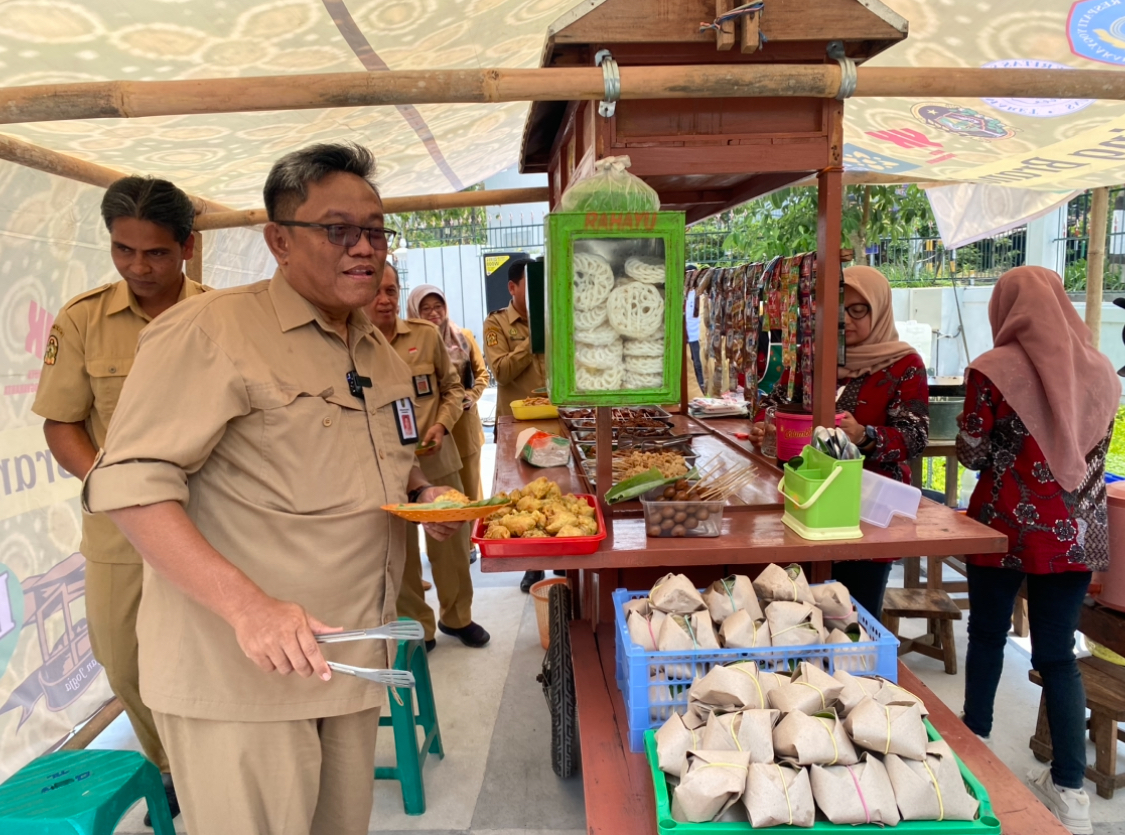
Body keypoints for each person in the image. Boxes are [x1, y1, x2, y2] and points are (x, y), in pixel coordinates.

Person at [83, 142, 463, 835]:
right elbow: (129, 485)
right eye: (337, 229)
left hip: (347, 658)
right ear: (279, 240)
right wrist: (249, 607)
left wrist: (423, 493)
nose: (363, 248)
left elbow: (381, 455)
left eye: (374, 230)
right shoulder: (211, 330)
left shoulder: (371, 347)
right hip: (243, 679)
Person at [33, 175, 208, 822]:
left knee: (214, 647)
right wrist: (108, 488)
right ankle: (167, 763)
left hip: (212, 519)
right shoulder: (83, 320)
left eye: (155, 252)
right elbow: (62, 422)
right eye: (122, 249)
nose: (138, 266)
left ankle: (211, 759)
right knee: (122, 655)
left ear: (187, 246)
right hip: (120, 529)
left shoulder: (223, 316)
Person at [957, 266, 1120, 835]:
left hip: (1004, 528)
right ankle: (1072, 794)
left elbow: (972, 452)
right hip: (1075, 535)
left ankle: (972, 749)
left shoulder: (992, 369)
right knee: (1057, 654)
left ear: (1007, 309)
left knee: (987, 634)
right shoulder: (1101, 370)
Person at [750, 265, 929, 617]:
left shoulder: (903, 365)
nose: (846, 320)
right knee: (796, 613)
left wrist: (865, 435)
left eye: (858, 310)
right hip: (804, 502)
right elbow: (773, 403)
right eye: (838, 310)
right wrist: (765, 426)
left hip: (866, 511)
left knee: (853, 619)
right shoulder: (813, 357)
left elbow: (915, 436)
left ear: (879, 310)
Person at [367, 266, 490, 650]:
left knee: (452, 547)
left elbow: (454, 388)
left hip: (438, 459)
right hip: (386, 467)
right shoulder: (352, 344)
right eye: (376, 291)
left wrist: (442, 424)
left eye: (391, 289)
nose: (384, 299)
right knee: (399, 556)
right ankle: (419, 626)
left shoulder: (423, 335)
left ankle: (457, 618)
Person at [484, 256, 548, 594]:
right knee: (525, 494)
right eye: (531, 285)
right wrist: (534, 336)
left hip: (554, 421)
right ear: (512, 288)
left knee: (560, 489)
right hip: (517, 426)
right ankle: (533, 562)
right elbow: (502, 371)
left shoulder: (556, 316)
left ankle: (560, 548)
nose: (539, 291)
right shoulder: (496, 324)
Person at [408, 284, 490, 502]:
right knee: (440, 502)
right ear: (414, 311)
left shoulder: (463, 337)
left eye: (438, 306)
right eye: (425, 308)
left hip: (464, 429)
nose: (434, 313)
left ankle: (474, 537)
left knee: (471, 496)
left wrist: (472, 395)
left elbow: (482, 375)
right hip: (431, 436)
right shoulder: (407, 345)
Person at [685, 265, 704, 388]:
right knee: (689, 365)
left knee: (698, 363)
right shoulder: (684, 293)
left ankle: (702, 386)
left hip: (696, 335)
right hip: (686, 335)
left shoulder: (700, 294)